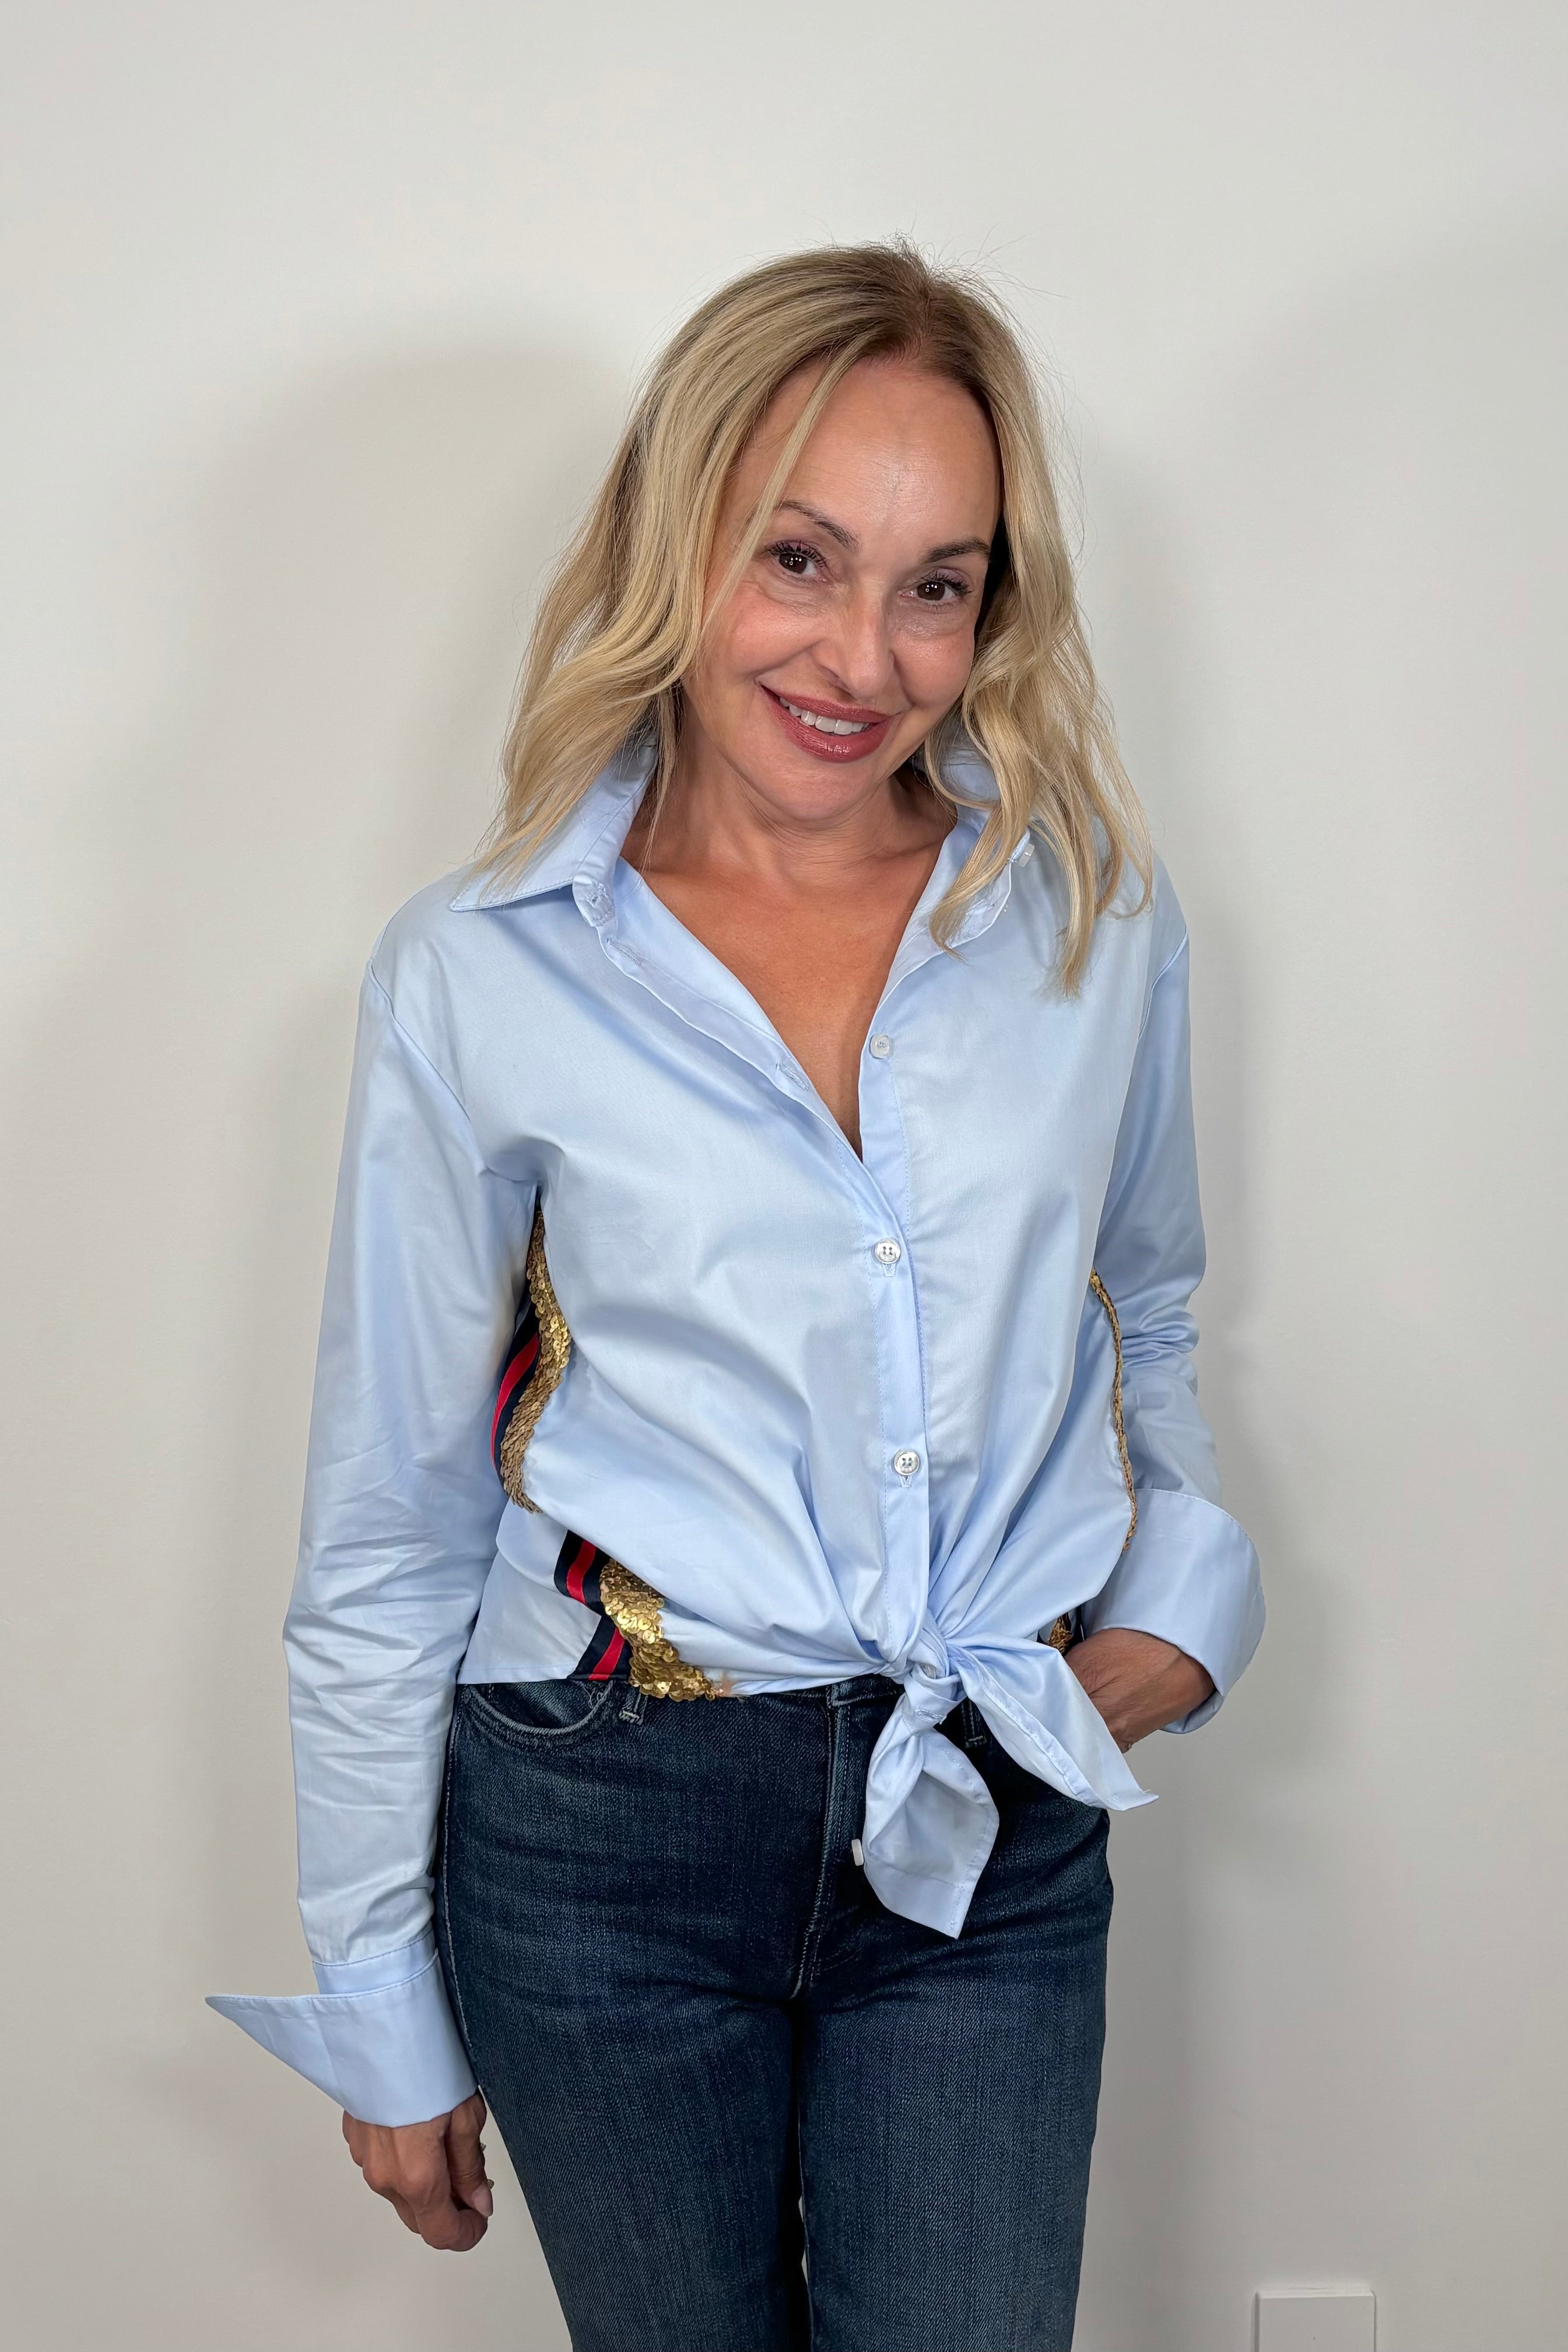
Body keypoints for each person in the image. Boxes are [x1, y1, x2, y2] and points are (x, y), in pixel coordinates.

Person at [211, 240, 1264, 2352]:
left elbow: (1145, 1310)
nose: (863, 656)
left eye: (936, 584)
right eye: (798, 557)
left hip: (987, 1810)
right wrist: (379, 1994)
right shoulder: (480, 970)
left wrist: (1180, 1606)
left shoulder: (1087, 918)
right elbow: (394, 1515)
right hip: (600, 1824)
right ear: (674, 542)